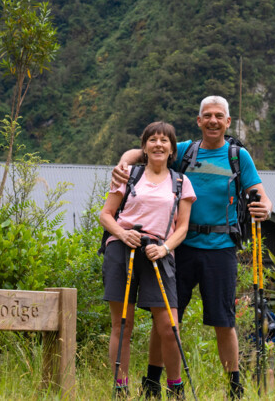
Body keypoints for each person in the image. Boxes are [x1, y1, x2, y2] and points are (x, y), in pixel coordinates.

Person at [113, 96, 273, 399]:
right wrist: (124, 161)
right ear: (199, 121)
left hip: (222, 247)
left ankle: (234, 387)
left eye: (219, 116)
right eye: (207, 116)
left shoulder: (239, 157)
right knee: (167, 320)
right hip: (179, 247)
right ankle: (152, 383)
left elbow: (261, 195)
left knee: (224, 321)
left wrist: (265, 208)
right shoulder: (184, 152)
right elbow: (143, 151)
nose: (213, 121)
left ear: (227, 122)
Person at [101, 121, 196, 399]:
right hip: (122, 249)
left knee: (169, 326)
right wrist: (122, 232)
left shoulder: (181, 182)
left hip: (159, 251)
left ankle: (174, 386)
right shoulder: (129, 175)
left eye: (164, 141)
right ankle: (121, 388)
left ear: (172, 150)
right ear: (144, 147)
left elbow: (182, 228)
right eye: (153, 140)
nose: (158, 144)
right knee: (123, 324)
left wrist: (165, 248)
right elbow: (106, 214)